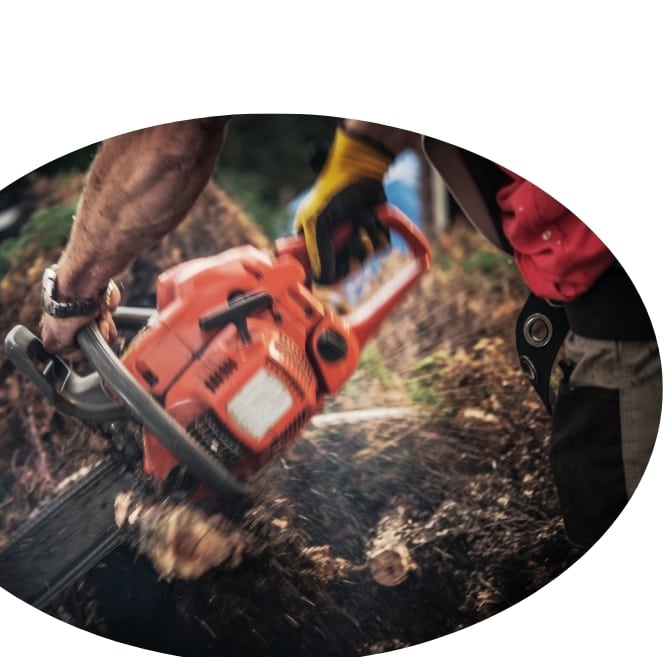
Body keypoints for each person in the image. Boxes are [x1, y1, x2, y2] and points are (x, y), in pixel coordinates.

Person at [38, 116, 662, 550]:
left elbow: (169, 141)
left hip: (627, 308)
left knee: (604, 498)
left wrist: (72, 291)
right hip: (598, 287)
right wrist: (364, 151)